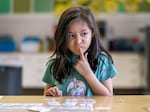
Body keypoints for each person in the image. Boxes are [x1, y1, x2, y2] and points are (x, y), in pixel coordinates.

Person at [42, 6, 117, 96]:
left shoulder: (102, 61)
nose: (78, 41)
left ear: (92, 33)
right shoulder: (55, 65)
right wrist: (52, 94)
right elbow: (46, 97)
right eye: (71, 35)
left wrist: (88, 73)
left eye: (84, 34)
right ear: (63, 36)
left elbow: (109, 97)